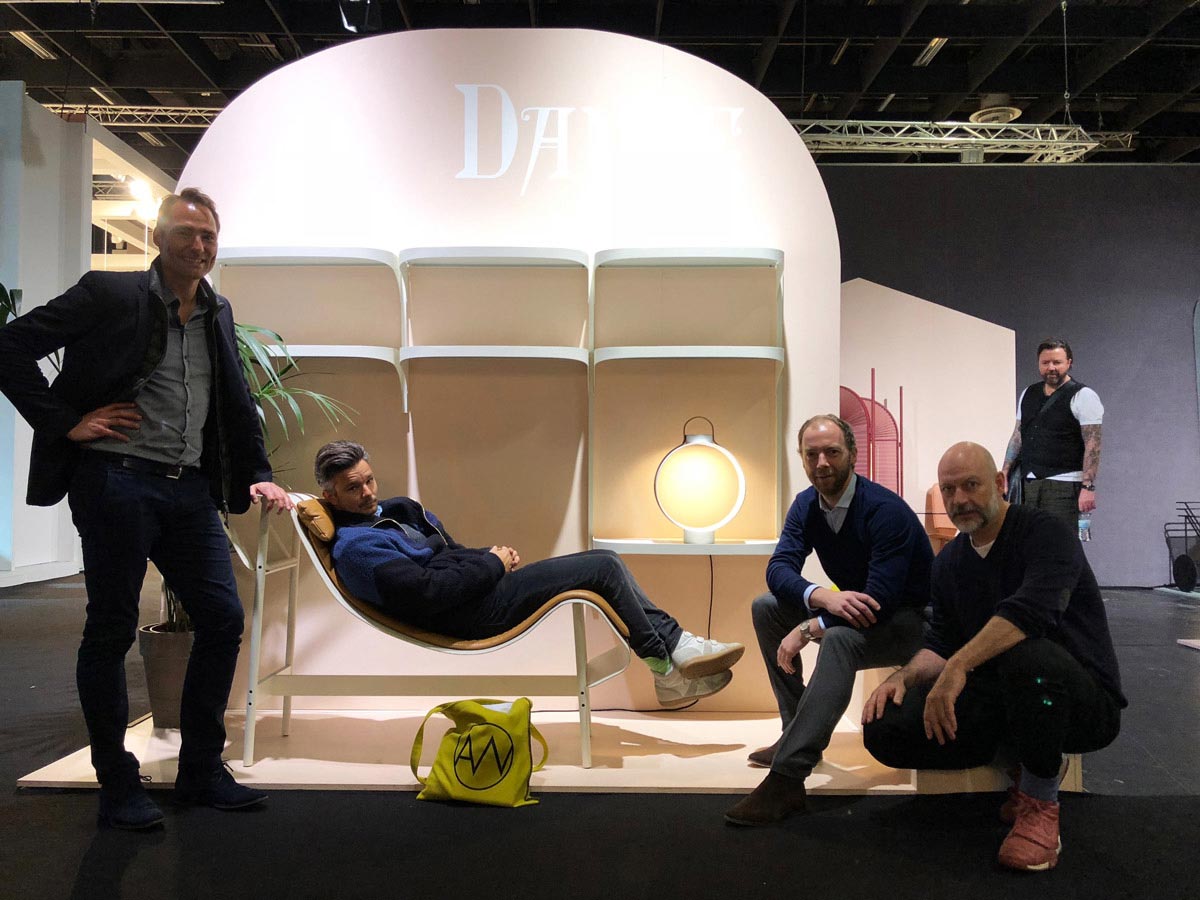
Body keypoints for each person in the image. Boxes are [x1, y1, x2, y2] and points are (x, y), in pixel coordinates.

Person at [0, 189, 293, 831]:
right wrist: (65, 421)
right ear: (159, 237)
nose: (199, 246)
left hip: (188, 490)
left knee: (222, 618)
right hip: (116, 481)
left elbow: (233, 399)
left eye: (208, 236)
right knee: (110, 629)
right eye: (186, 233)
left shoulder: (217, 309)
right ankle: (117, 782)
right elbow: (10, 345)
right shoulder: (110, 294)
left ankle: (200, 771)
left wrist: (258, 474)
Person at [313, 440, 744, 707]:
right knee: (603, 565)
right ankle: (669, 663)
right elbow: (428, 594)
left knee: (604, 565)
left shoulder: (398, 510)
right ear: (330, 496)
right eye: (353, 487)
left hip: (481, 593)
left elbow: (451, 553)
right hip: (468, 615)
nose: (368, 492)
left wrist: (491, 556)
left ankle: (672, 656)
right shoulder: (357, 549)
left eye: (369, 480)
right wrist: (492, 564)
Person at [862, 442, 1124, 872]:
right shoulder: (949, 563)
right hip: (1008, 699)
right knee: (885, 726)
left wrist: (958, 666)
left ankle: (1040, 803)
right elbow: (941, 641)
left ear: (1000, 483)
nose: (959, 499)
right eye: (949, 490)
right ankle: (1018, 761)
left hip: (1080, 702)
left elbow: (1030, 614)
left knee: (1028, 656)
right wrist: (903, 678)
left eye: (971, 485)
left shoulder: (1046, 533)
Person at [724, 415, 932, 826]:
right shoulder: (807, 504)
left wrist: (808, 627)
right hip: (857, 609)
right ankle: (795, 735)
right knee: (766, 607)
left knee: (838, 640)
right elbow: (778, 568)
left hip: (911, 623)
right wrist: (822, 597)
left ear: (852, 455)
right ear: (802, 458)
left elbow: (880, 602)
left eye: (832, 452)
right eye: (812, 454)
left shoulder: (884, 511)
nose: (822, 463)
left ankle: (788, 777)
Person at [1001, 338, 1102, 528]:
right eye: (1045, 362)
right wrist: (1005, 472)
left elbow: (1093, 444)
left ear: (1069, 363)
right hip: (1029, 484)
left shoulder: (1084, 396)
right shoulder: (1028, 393)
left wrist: (1088, 487)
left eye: (1057, 362)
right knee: (1028, 539)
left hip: (1064, 485)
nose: (1051, 368)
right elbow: (1018, 435)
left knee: (1059, 540)